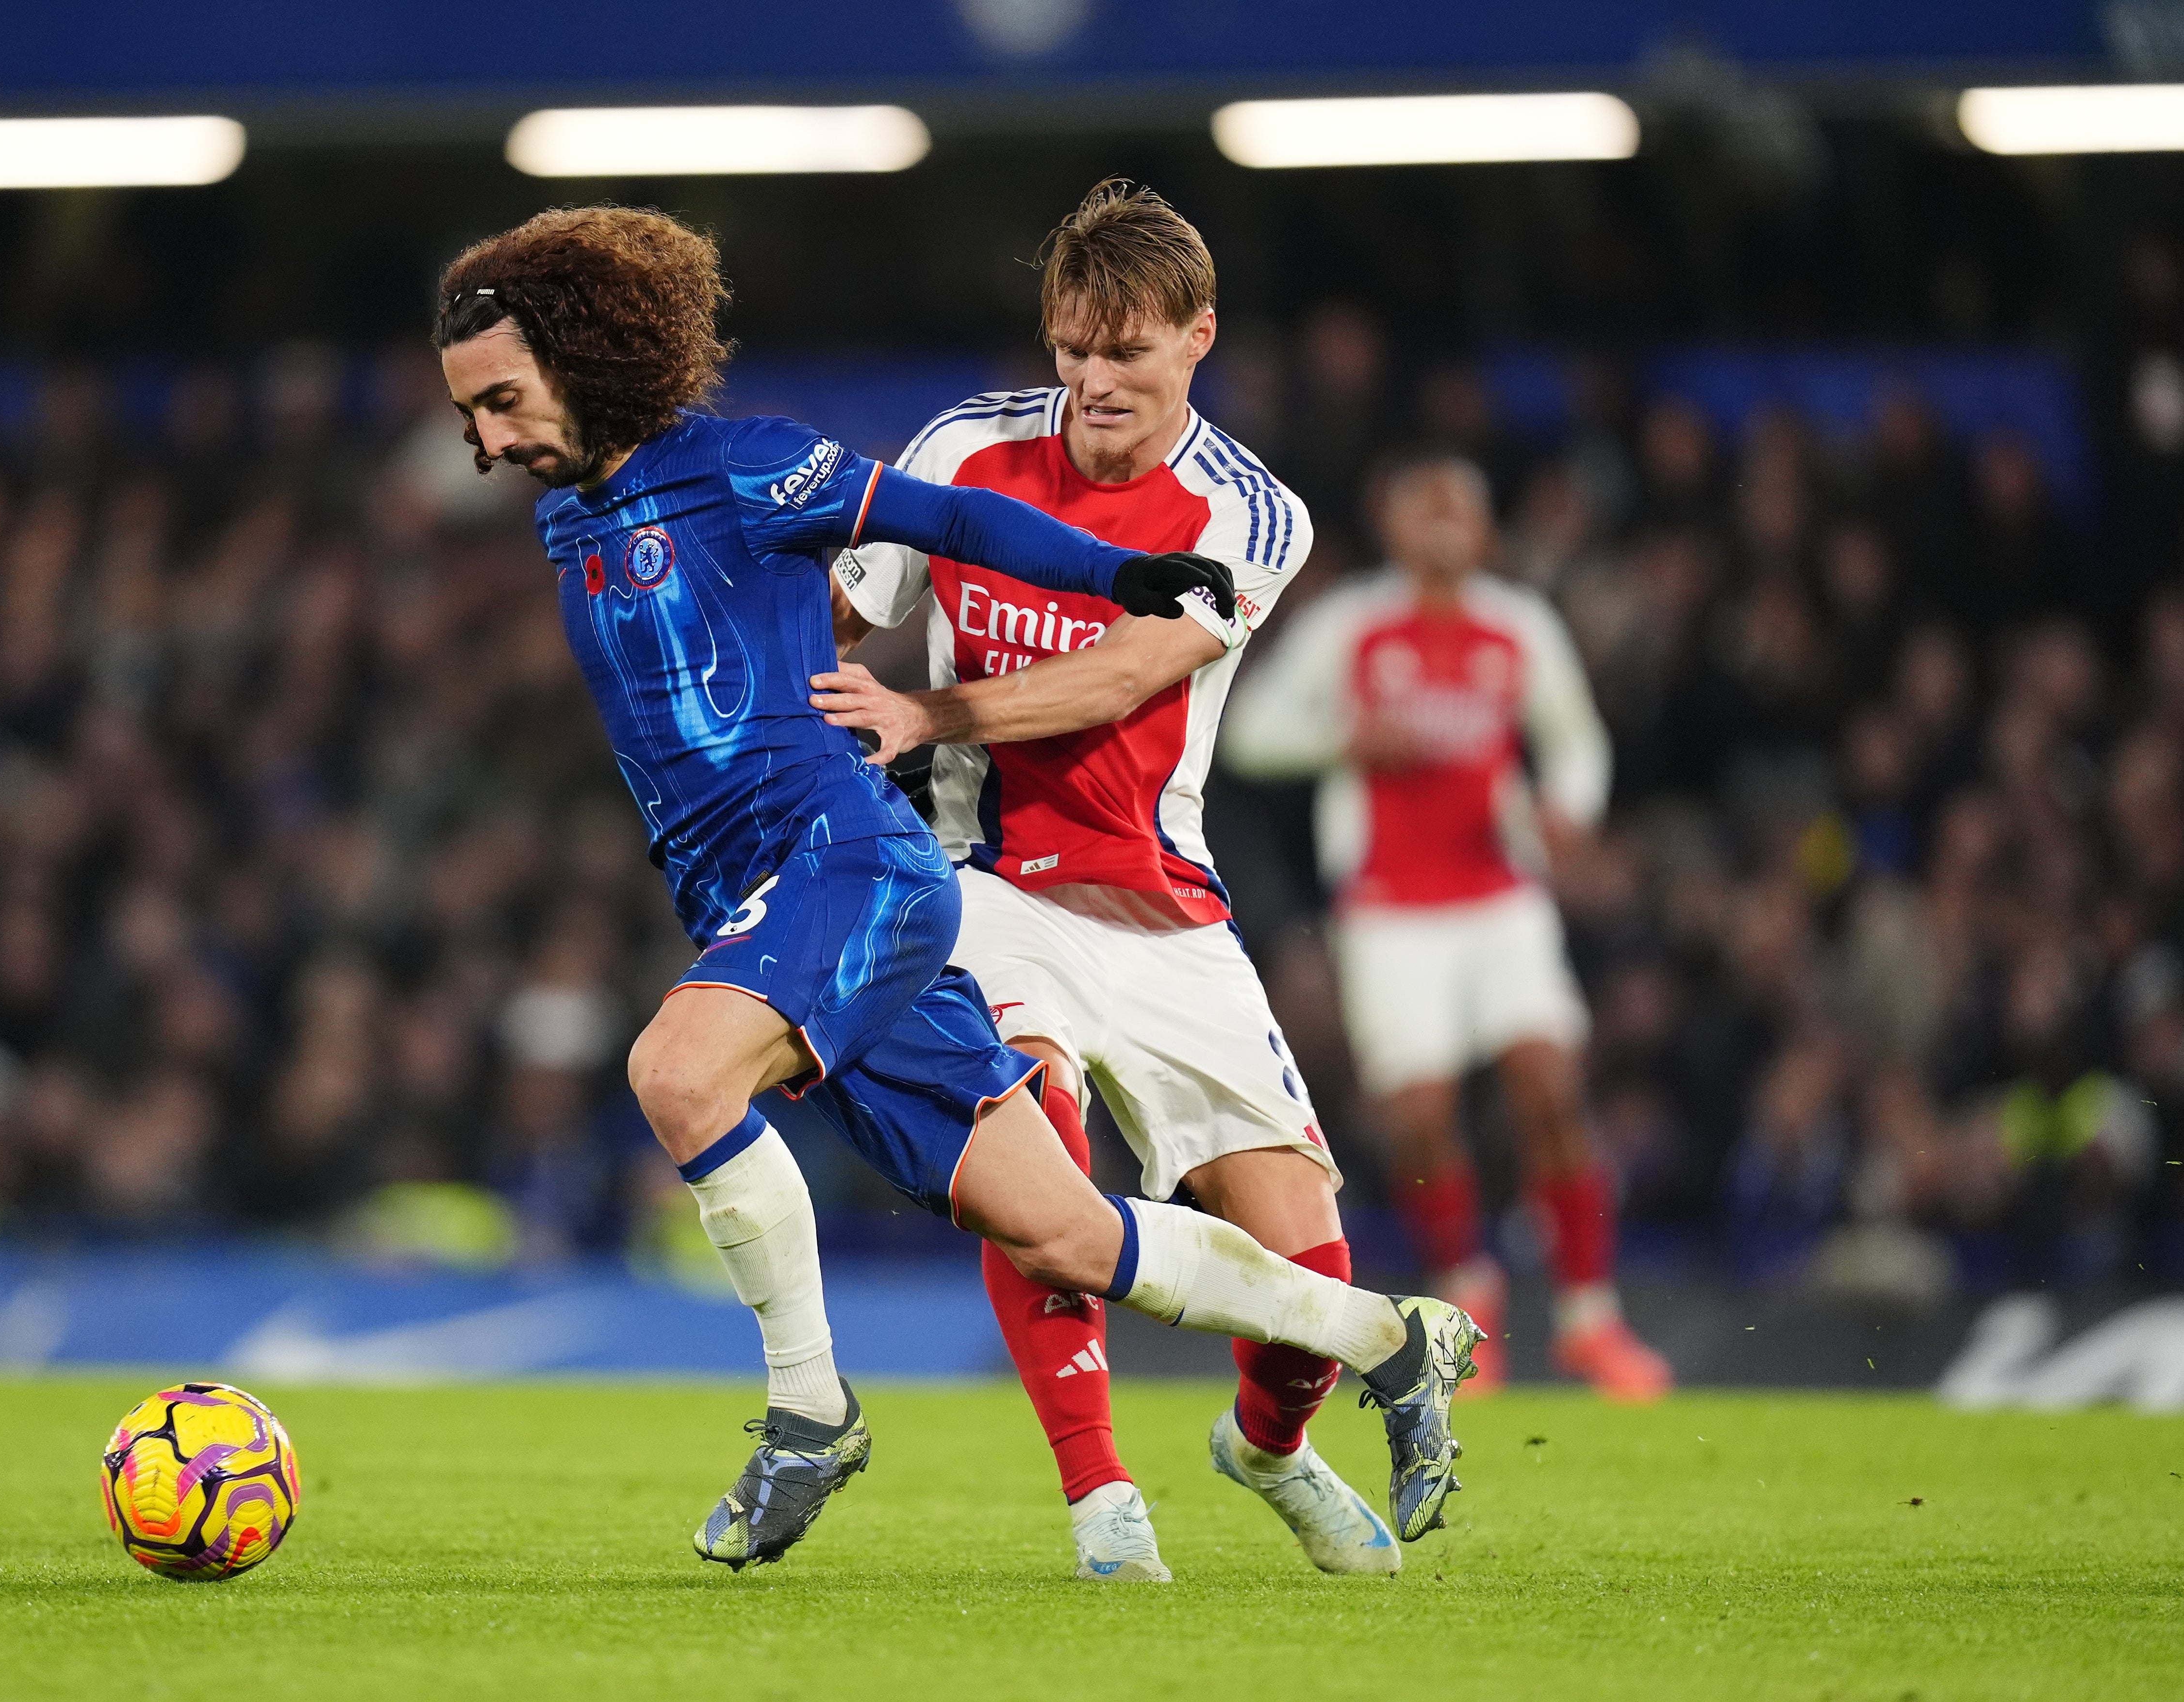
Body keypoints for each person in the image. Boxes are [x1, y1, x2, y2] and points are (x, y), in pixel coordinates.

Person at [432, 205, 1480, 1574]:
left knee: (680, 1072)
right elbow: (824, 616)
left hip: (973, 875)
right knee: (1058, 1219)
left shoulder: (762, 467)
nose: (486, 441)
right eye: (1069, 350)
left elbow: (1015, 577)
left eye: (502, 402)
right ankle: (1378, 1346)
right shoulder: (579, 512)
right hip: (905, 873)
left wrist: (1088, 595)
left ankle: (819, 1415)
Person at [811, 180, 1395, 1582]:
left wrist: (929, 713)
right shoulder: (965, 446)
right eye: (1072, 347)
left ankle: (1262, 1450)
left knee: (1309, 1271)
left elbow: (1128, 670)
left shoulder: (1254, 511)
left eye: (1124, 350)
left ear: (1198, 336)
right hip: (982, 872)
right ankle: (1100, 1499)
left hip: (1157, 898)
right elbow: (842, 600)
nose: (1091, 381)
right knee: (1041, 1161)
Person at [1222, 449, 1672, 1402]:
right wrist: (1344, 740)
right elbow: (1253, 728)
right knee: (1420, 1119)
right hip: (1388, 912)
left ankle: (1593, 1317)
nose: (1439, 525)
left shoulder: (1519, 627)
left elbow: (1576, 740)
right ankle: (1472, 1300)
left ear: (1484, 529)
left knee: (1549, 1082)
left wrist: (1568, 808)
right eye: (1421, 507)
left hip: (1501, 897)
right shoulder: (1350, 625)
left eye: (1456, 509)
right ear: (1392, 526)